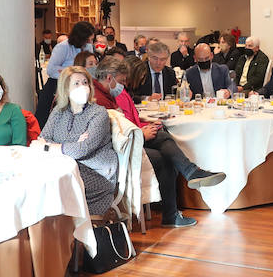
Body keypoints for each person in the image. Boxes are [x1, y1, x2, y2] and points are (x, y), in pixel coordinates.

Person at [92, 57, 225, 227]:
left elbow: (123, 124)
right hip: (118, 150)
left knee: (162, 135)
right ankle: (175, 206)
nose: (123, 85)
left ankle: (190, 174)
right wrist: (140, 133)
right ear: (109, 78)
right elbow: (111, 135)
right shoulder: (99, 99)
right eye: (121, 81)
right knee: (164, 158)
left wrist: (144, 128)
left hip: (129, 140)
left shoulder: (107, 94)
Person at [38, 66, 119, 215]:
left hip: (96, 173)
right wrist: (75, 141)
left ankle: (62, 232)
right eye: (76, 83)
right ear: (66, 89)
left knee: (53, 186)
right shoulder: (58, 111)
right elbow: (42, 139)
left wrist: (51, 147)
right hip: (67, 167)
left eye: (85, 82)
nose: (83, 87)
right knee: (41, 181)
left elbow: (82, 149)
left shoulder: (98, 113)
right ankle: (50, 232)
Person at [39, 22, 96, 126]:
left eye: (91, 40)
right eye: (88, 40)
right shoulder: (63, 47)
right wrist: (73, 71)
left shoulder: (88, 47)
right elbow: (51, 69)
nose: (90, 43)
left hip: (79, 86)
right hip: (58, 85)